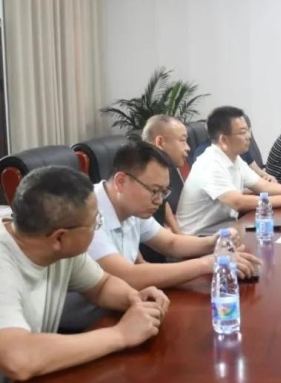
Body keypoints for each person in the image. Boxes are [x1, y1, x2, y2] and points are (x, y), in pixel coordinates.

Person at [59, 141, 262, 332]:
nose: (159, 201)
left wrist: (213, 242)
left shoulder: (131, 206)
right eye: (154, 191)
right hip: (84, 325)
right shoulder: (87, 213)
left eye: (163, 192)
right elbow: (126, 275)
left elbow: (171, 243)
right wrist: (207, 263)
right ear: (121, 181)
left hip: (123, 308)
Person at [0, 167, 170, 383]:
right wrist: (121, 334)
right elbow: (19, 358)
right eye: (94, 223)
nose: (97, 227)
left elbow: (101, 285)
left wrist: (135, 299)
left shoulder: (59, 248)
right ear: (59, 237)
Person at [178, 106, 281, 235]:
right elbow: (238, 202)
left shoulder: (234, 158)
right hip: (200, 237)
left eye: (248, 130)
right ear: (224, 140)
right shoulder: (210, 163)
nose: (249, 136)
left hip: (227, 230)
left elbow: (263, 185)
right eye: (242, 132)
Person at [141, 115, 190, 234]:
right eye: (182, 140)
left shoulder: (163, 169)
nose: (188, 148)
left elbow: (164, 202)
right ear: (160, 142)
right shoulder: (142, 175)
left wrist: (178, 234)